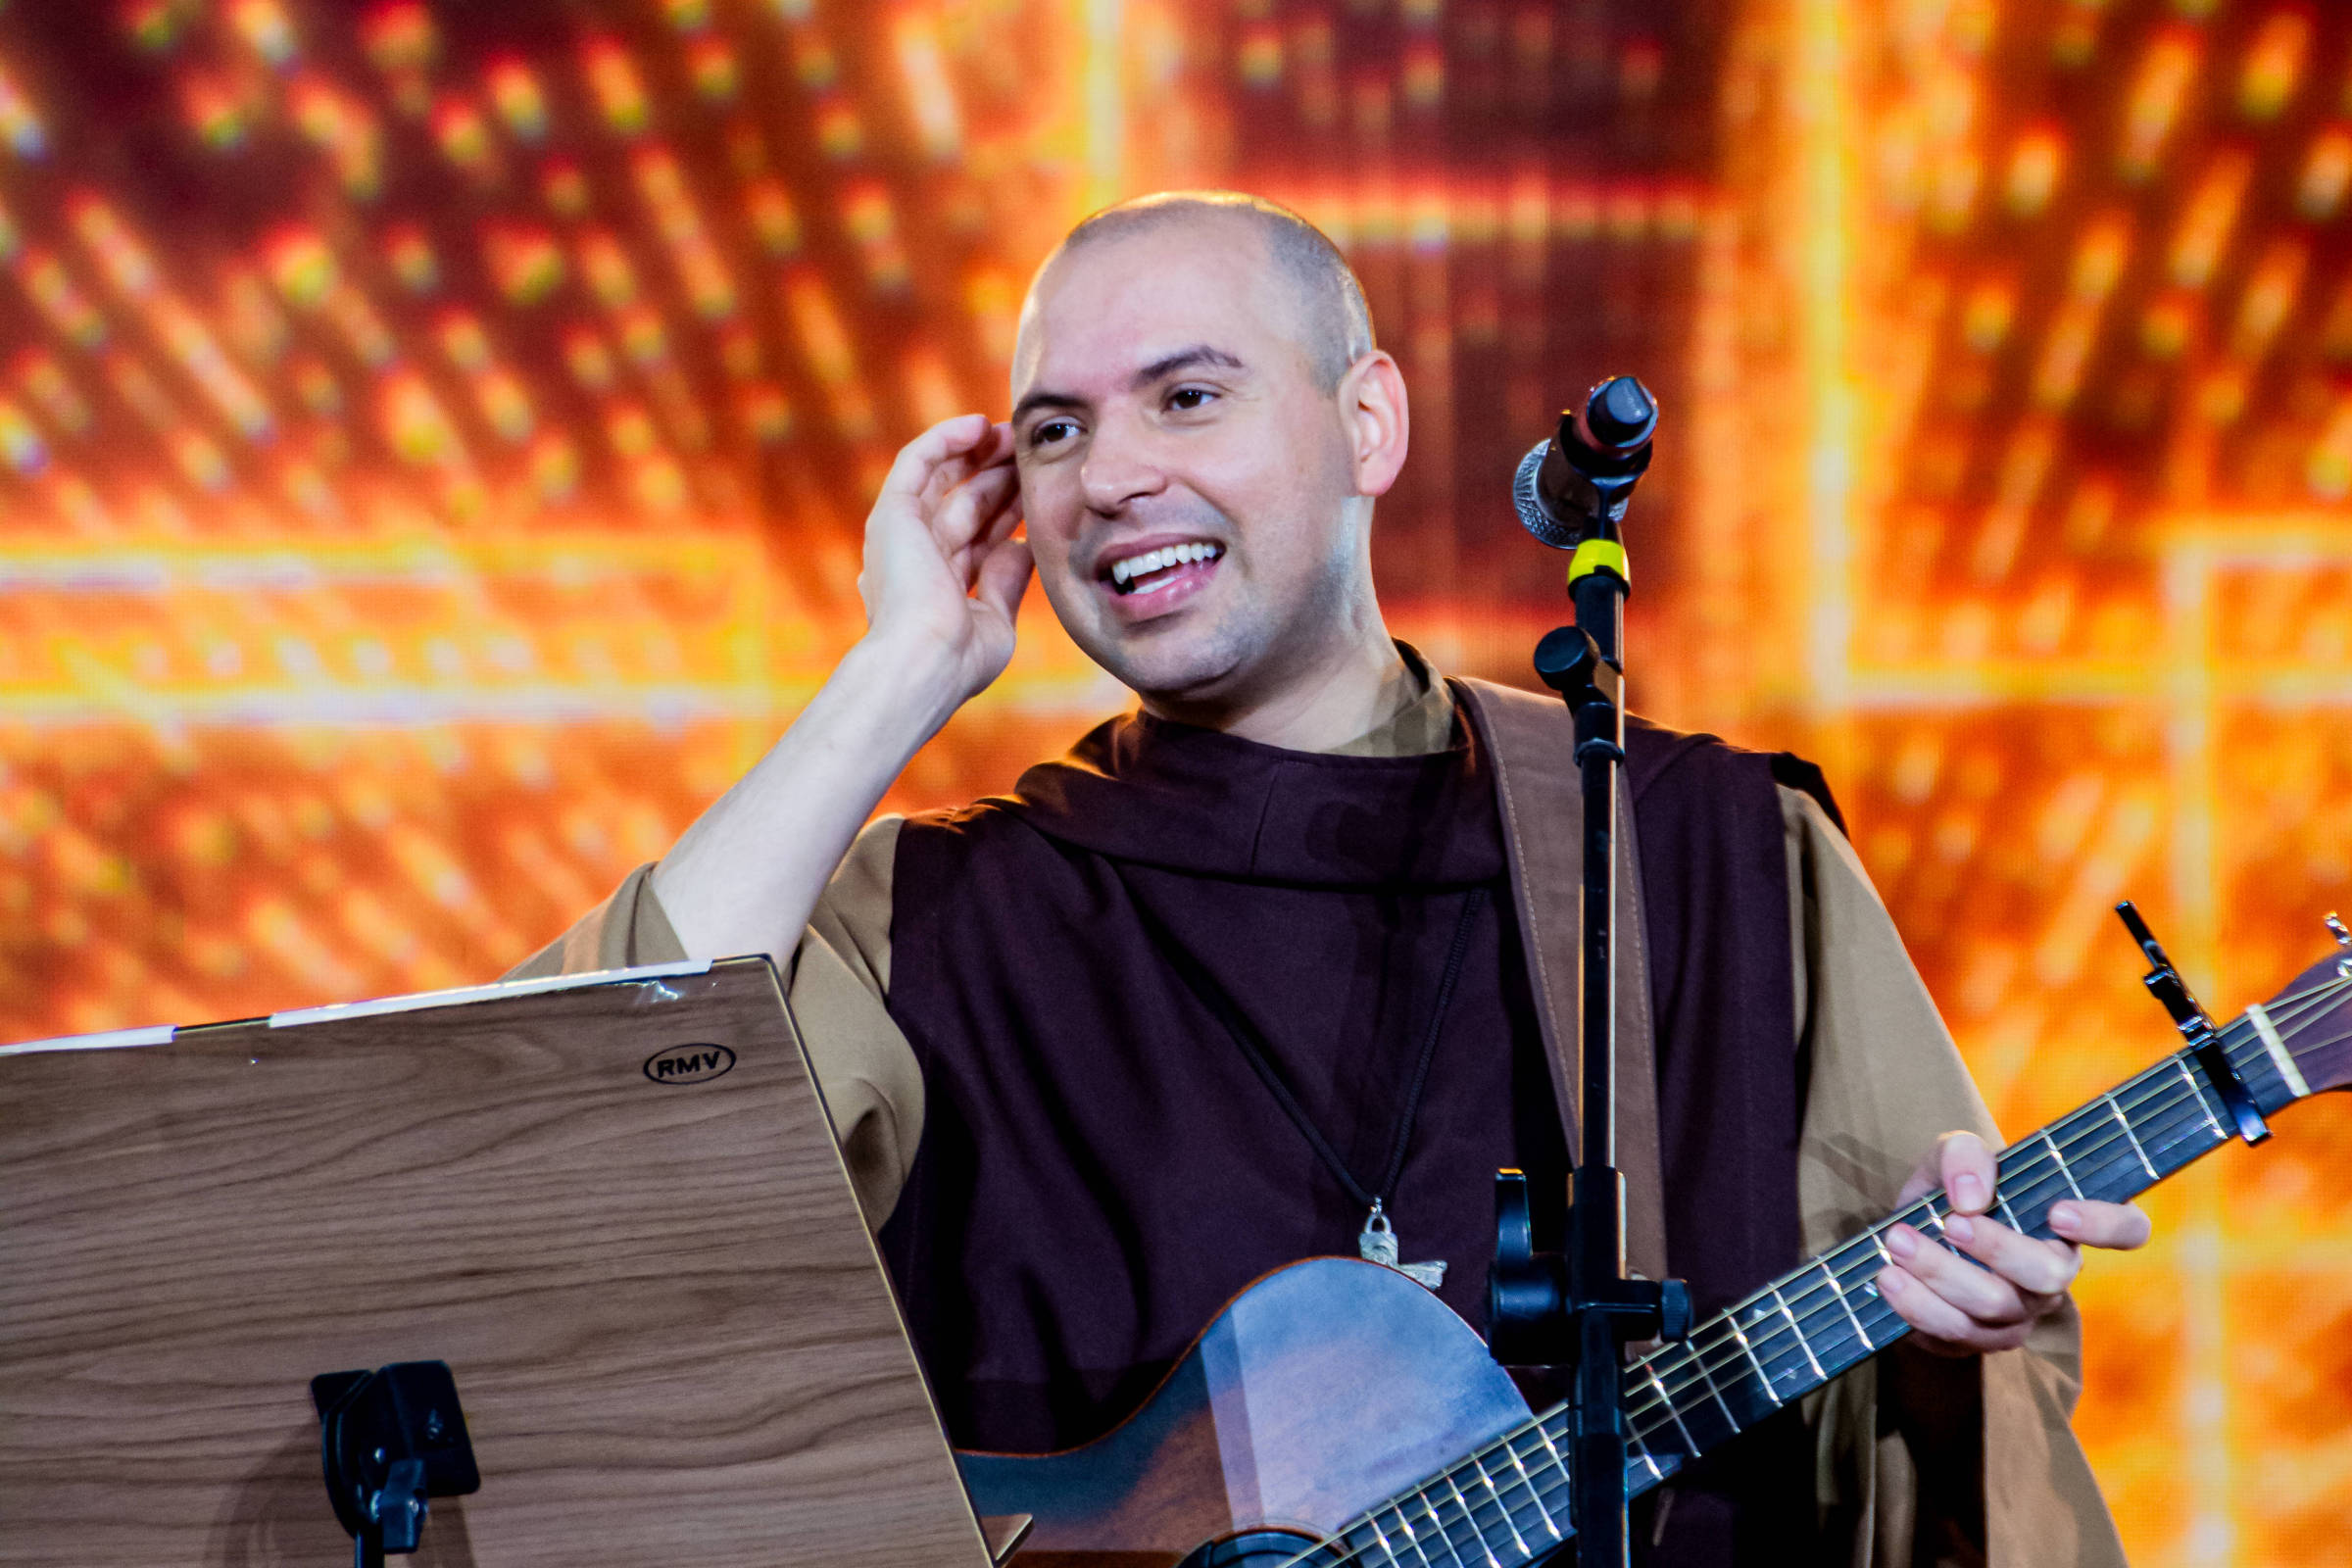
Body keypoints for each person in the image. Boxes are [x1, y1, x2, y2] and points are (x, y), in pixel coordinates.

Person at [513, 191, 2143, 1565]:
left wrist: (1953, 1340)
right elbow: (551, 1151)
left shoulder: (1708, 852)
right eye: (1055, 430)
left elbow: (1954, 1428)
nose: (1110, 475)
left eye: (1187, 397)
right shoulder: (931, 922)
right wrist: (896, 673)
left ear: (1370, 423)